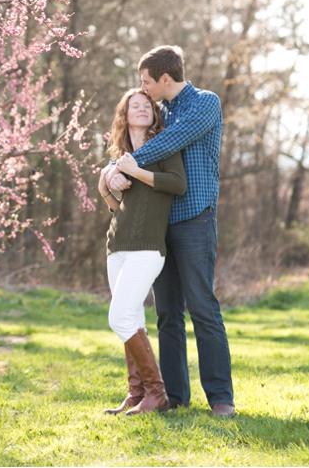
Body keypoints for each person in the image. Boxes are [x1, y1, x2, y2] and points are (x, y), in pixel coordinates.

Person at [109, 45, 236, 418]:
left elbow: (168, 142)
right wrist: (113, 170)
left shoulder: (205, 104)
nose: (143, 88)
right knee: (167, 313)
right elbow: (135, 135)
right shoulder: (159, 111)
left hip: (196, 217)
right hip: (160, 224)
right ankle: (175, 396)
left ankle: (221, 399)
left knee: (202, 307)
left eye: (146, 81)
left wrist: (125, 164)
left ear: (166, 79)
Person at [99, 88, 186, 416]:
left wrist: (134, 172)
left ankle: (156, 393)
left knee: (118, 316)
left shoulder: (163, 145)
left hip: (148, 247)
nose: (141, 109)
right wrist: (105, 184)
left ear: (154, 113)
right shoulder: (118, 155)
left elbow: (178, 184)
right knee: (131, 319)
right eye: (134, 105)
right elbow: (116, 207)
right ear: (124, 114)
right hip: (116, 245)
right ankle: (137, 393)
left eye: (147, 105)